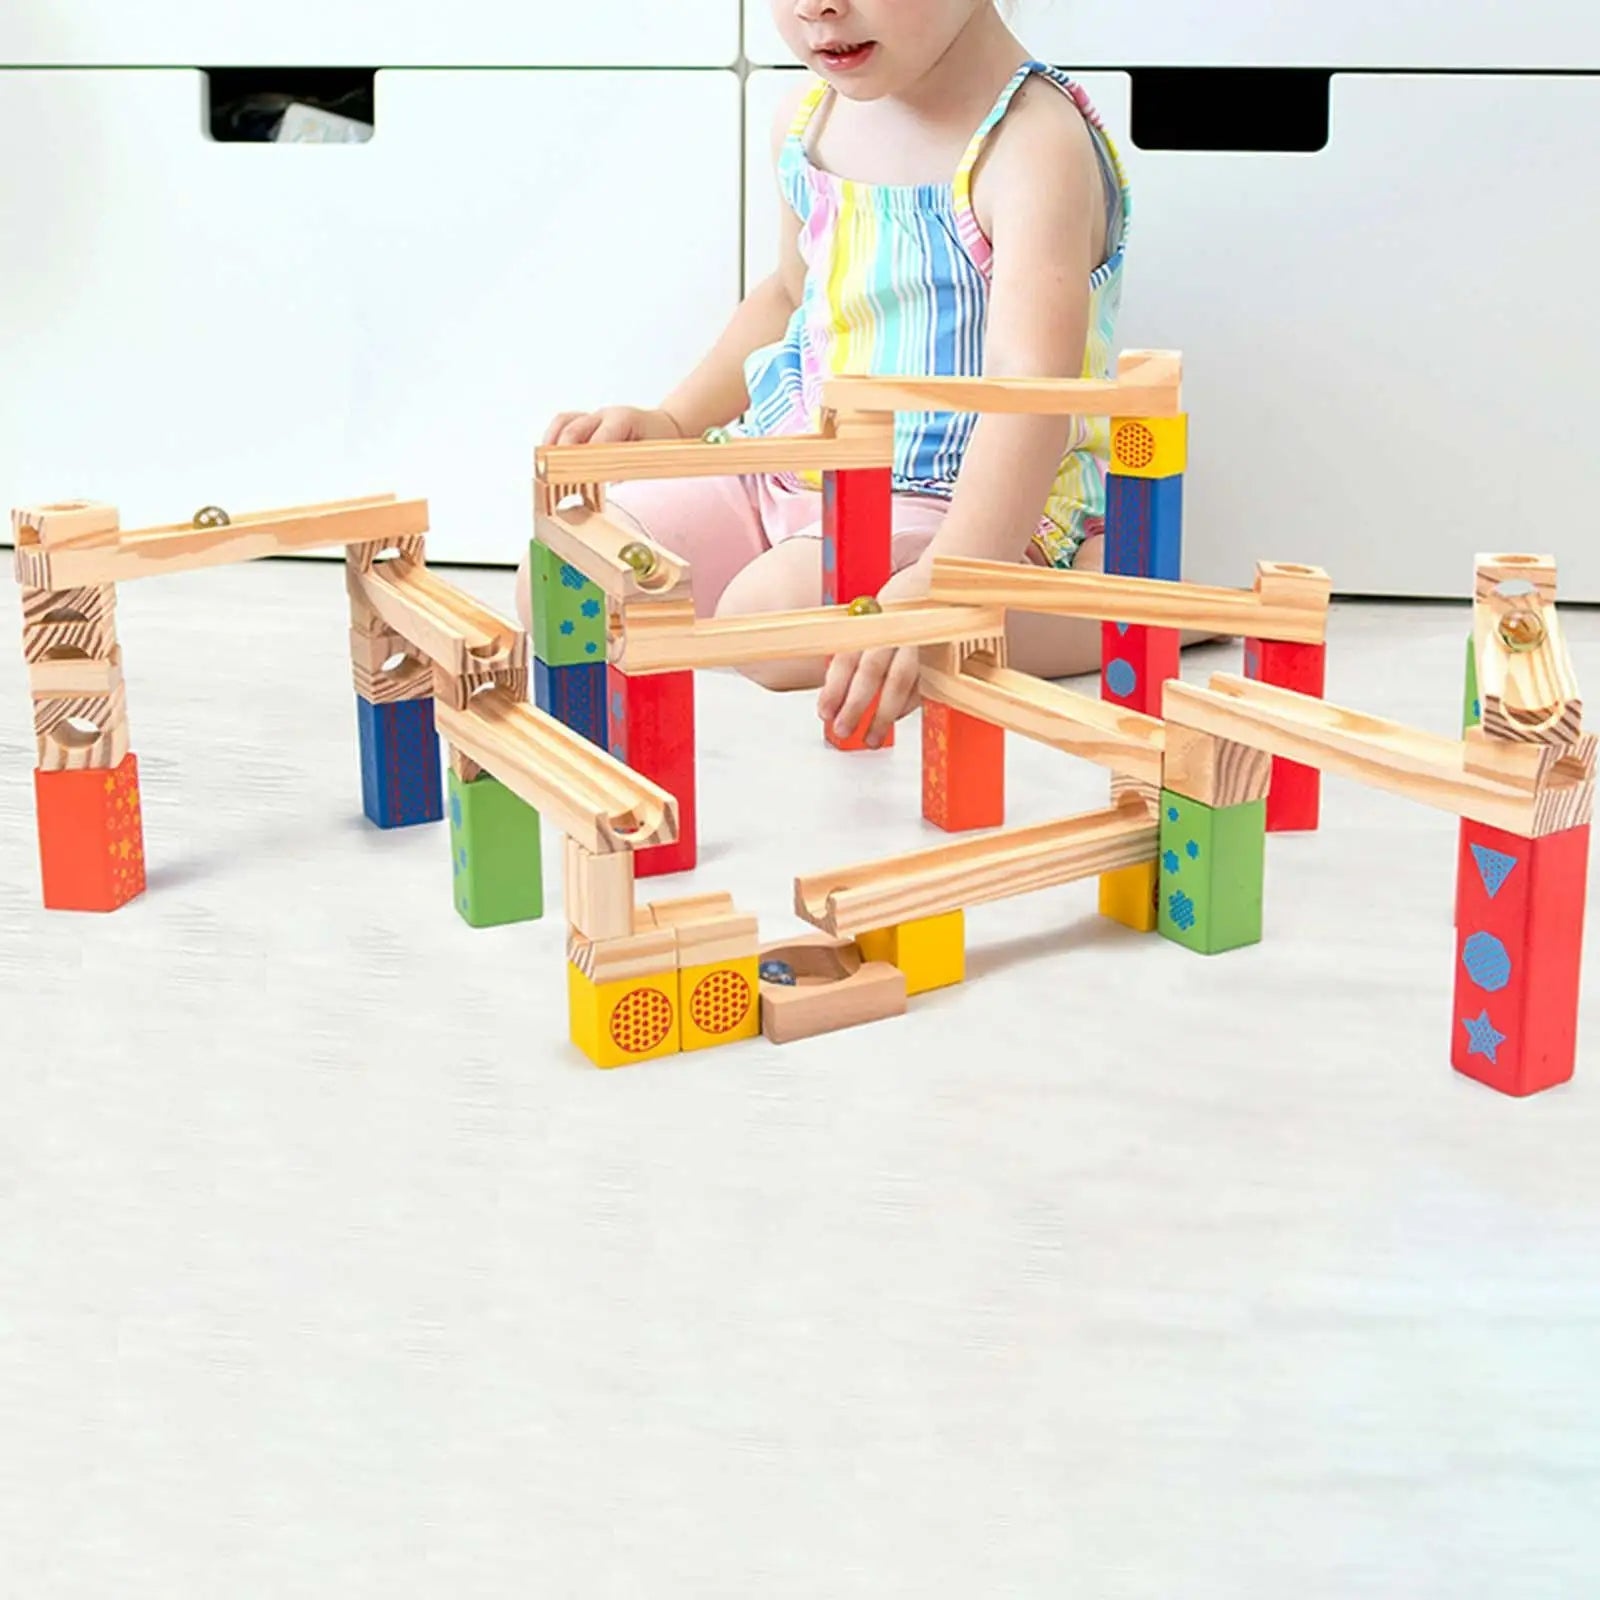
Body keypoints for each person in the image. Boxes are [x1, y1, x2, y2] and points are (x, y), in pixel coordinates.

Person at [522, 0, 1131, 748]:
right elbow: (788, 296)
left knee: (768, 624)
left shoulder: (1032, 144)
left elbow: (1029, 386)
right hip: (791, 463)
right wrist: (675, 420)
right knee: (566, 581)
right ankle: (859, 588)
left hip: (956, 499)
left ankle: (1099, 615)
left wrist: (948, 579)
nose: (817, 5)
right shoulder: (810, 118)